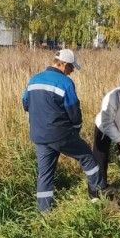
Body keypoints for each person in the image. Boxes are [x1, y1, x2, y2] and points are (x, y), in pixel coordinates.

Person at [22, 48, 106, 211]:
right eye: (71, 67)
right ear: (64, 65)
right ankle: (101, 191)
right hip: (60, 134)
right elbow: (74, 111)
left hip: (38, 135)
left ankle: (44, 213)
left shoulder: (34, 79)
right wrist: (76, 129)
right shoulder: (65, 83)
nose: (72, 71)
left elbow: (26, 104)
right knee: (87, 157)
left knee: (45, 174)